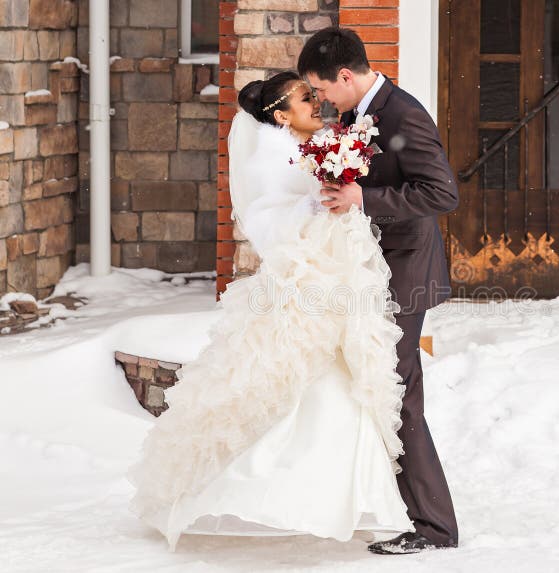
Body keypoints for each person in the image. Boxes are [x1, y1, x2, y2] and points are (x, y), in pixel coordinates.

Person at [127, 71, 414, 551]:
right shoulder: (272, 159)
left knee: (337, 383)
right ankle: (251, 493)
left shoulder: (317, 144)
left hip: (333, 281)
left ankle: (337, 497)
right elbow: (274, 230)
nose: (316, 102)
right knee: (298, 381)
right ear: (281, 114)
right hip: (304, 289)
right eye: (306, 98)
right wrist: (325, 203)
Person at [298, 27, 460, 554]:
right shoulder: (358, 114)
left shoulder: (403, 113)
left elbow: (441, 193)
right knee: (387, 389)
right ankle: (413, 513)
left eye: (322, 89)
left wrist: (362, 197)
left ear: (345, 76)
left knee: (396, 393)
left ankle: (434, 528)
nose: (321, 100)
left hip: (405, 273)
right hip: (373, 271)